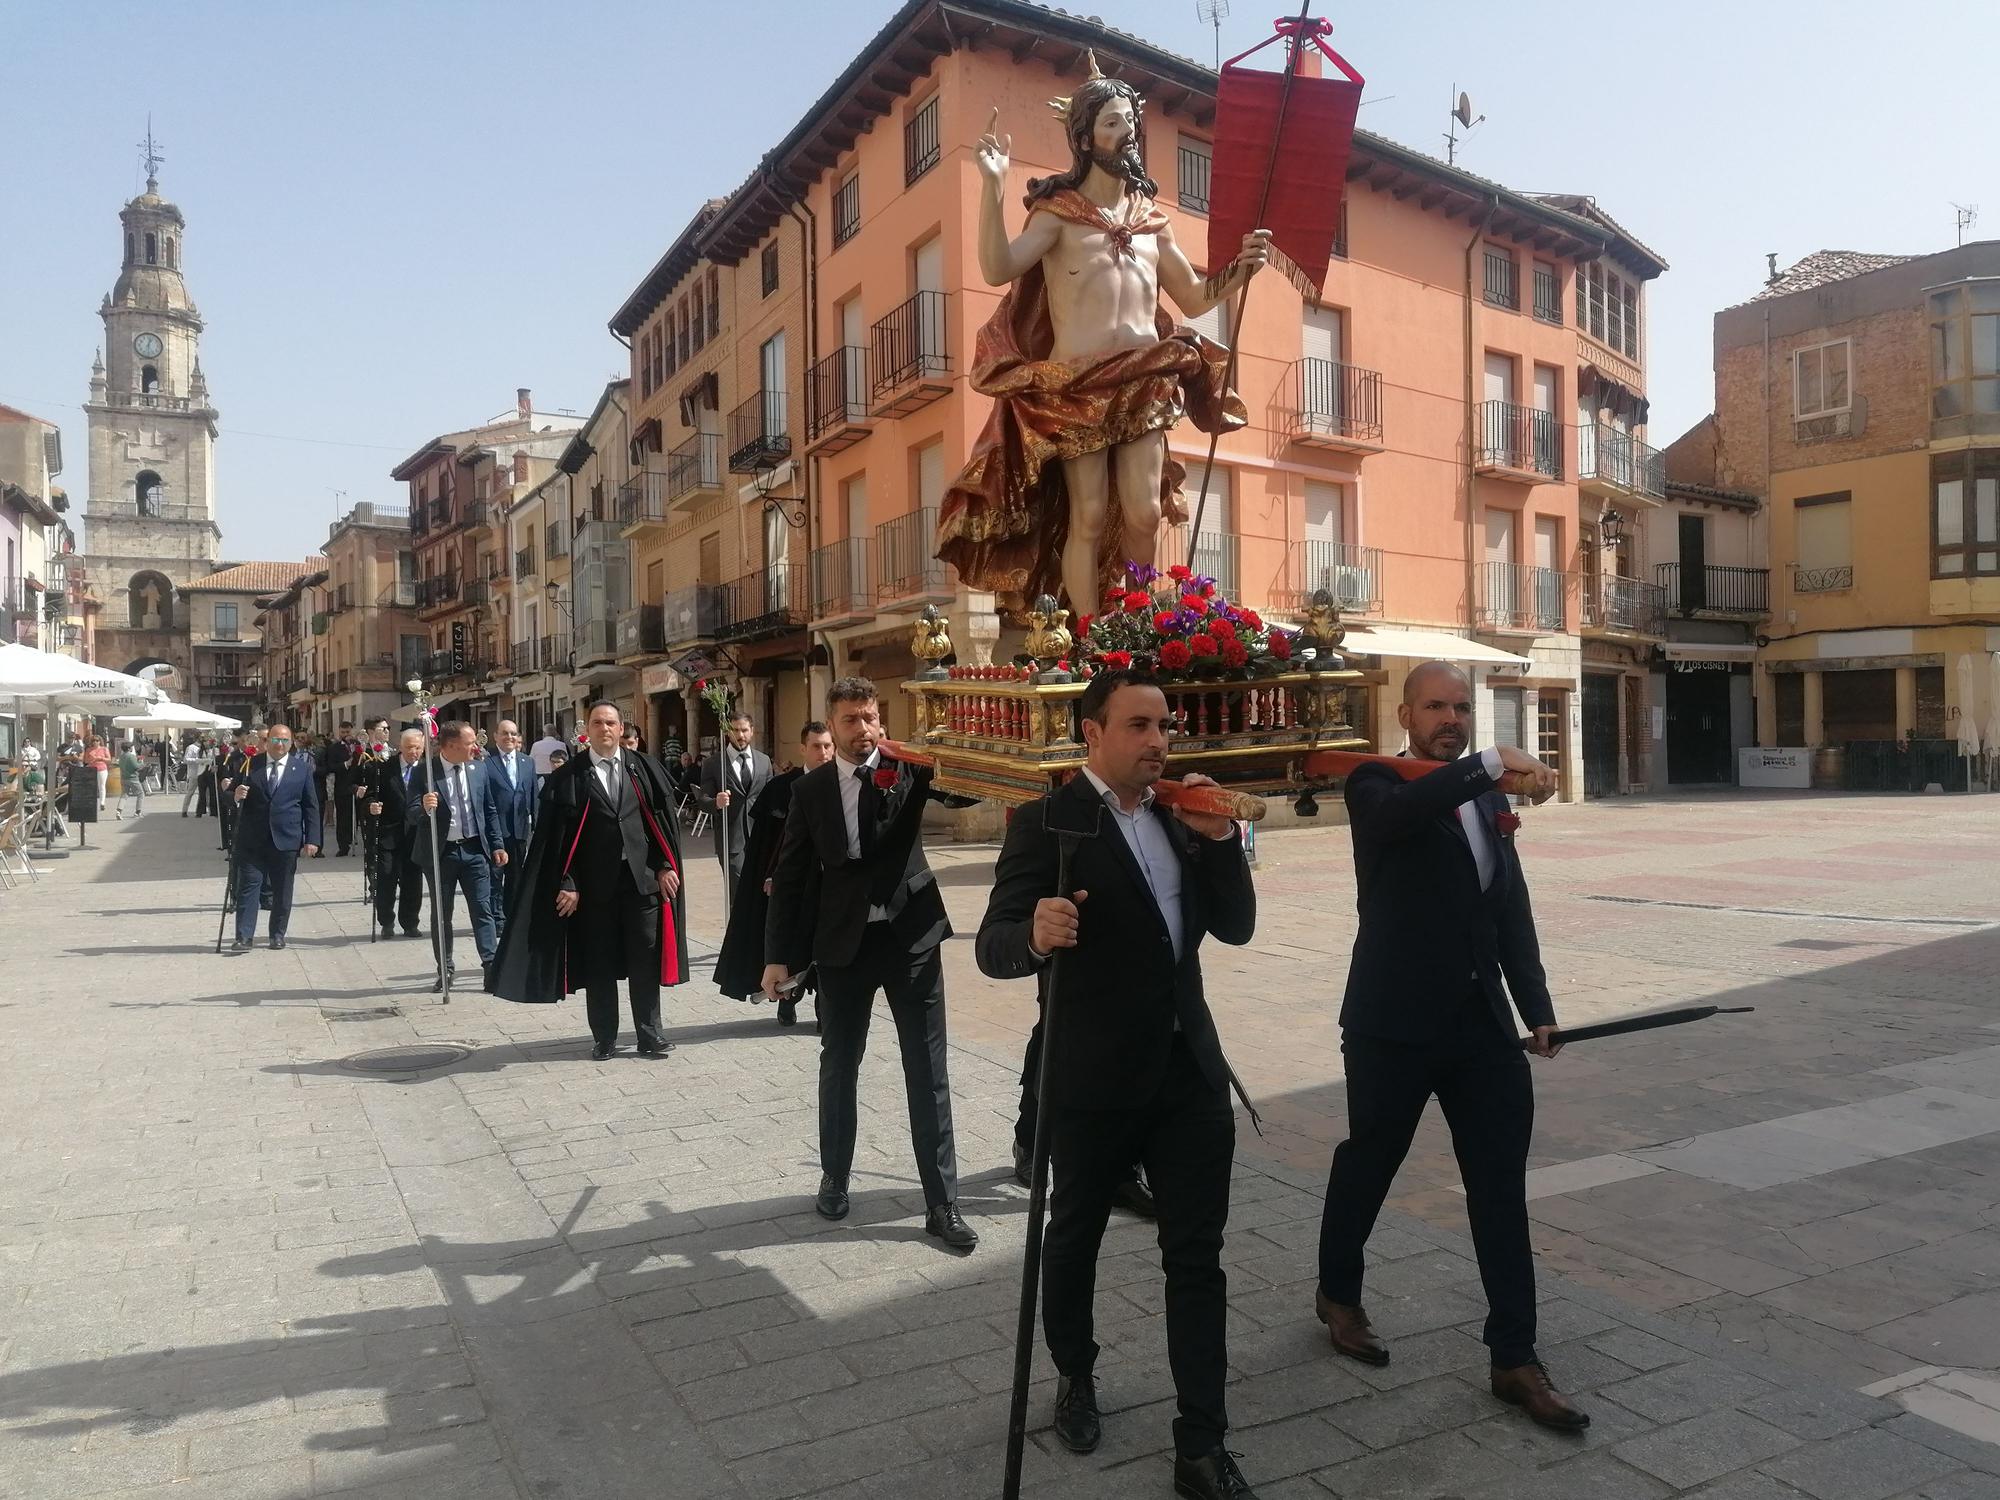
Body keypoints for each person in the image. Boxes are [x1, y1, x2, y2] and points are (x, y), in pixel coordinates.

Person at [975, 669, 1258, 1499]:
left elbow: (1234, 928)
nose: (1157, 741)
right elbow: (993, 945)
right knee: (1076, 1236)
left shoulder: (1180, 815)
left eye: (1163, 726)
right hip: (1092, 1077)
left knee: (1197, 1258)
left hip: (1188, 1077)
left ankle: (1201, 1442)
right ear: (1092, 734)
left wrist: (1218, 843)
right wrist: (1031, 932)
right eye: (1138, 725)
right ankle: (1075, 1373)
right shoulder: (1048, 822)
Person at [1315, 661, 1585, 1433]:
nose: (1450, 717)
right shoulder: (1375, 783)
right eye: (1436, 705)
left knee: (1499, 1188)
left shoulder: (1485, 796)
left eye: (1462, 707)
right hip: (1390, 1024)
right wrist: (1489, 767)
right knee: (1371, 1159)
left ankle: (1515, 1357)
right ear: (1406, 713)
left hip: (1480, 1028)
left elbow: (1510, 911)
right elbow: (1393, 821)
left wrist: (1536, 1008)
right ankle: (1338, 1291)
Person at [939, 56, 1269, 614]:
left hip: (1144, 375)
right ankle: (1092, 637)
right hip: (1077, 386)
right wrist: (993, 189)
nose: (1127, 134)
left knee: (1143, 512)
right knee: (1087, 515)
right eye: (1113, 123)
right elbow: (998, 268)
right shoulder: (1058, 214)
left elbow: (1193, 296)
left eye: (1130, 123)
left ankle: (1138, 630)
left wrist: (1242, 268)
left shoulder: (1150, 221)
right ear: (1086, 138)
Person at [761, 677, 978, 1250]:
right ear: (830, 727)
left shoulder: (910, 767)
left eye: (871, 717)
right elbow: (789, 878)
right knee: (840, 1066)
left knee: (927, 1073)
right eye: (852, 720)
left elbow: (964, 792)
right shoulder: (809, 792)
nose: (864, 730)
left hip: (912, 939)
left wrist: (946, 750)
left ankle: (942, 1202)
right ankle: (834, 1176)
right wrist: (777, 958)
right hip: (843, 947)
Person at [489, 701, 687, 1060]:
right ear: (588, 730)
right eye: (598, 723)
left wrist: (663, 867)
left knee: (645, 961)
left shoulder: (642, 768)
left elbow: (658, 826)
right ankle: (605, 1038)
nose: (605, 729)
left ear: (621, 728)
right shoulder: (570, 777)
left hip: (641, 886)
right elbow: (556, 842)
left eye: (611, 723)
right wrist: (568, 882)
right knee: (600, 966)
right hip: (594, 891)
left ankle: (650, 1034)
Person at [714, 720, 834, 1024]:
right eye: (817, 746)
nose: (823, 753)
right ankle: (786, 1000)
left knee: (826, 945)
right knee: (792, 943)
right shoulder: (782, 788)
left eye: (828, 746)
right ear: (803, 748)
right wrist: (769, 875)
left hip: (830, 884)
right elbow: (765, 843)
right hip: (788, 885)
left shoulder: (843, 783)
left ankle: (825, 1008)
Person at [409, 721, 505, 991]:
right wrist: (424, 807)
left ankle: (490, 966)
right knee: (442, 914)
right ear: (451, 745)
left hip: (475, 850)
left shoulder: (478, 768)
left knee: (482, 910)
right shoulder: (425, 771)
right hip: (441, 854)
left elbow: (489, 809)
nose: (476, 746)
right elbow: (410, 811)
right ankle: (446, 969)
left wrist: (497, 844)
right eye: (470, 742)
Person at [228, 723, 320, 951]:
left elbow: (311, 806)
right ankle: (243, 937)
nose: (280, 744)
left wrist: (313, 839)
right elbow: (232, 796)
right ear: (266, 741)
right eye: (276, 740)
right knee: (249, 887)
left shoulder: (301, 769)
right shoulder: (251, 765)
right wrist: (236, 796)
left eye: (285, 740)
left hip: (286, 839)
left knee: (282, 890)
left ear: (291, 743)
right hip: (253, 839)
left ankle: (277, 934)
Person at [364, 729, 430, 939]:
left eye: (418, 747)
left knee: (413, 882)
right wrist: (371, 806)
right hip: (388, 834)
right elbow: (370, 796)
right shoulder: (383, 768)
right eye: (410, 747)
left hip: (415, 834)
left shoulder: (427, 770)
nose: (414, 752)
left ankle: (410, 923)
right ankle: (386, 921)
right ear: (400, 747)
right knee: (386, 879)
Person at [698, 711, 771, 892]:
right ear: (727, 732)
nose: (740, 735)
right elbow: (702, 800)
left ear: (752, 731)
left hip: (759, 838)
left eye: (745, 730)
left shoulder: (764, 761)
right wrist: (716, 802)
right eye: (735, 730)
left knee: (759, 891)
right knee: (738, 891)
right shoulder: (714, 763)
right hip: (731, 842)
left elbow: (770, 797)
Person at [481, 718, 536, 936]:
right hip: (496, 831)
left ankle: (512, 916)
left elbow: (533, 797)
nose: (510, 737)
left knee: (516, 877)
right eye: (505, 733)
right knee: (495, 877)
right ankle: (497, 918)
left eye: (513, 733)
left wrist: (536, 826)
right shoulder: (487, 763)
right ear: (495, 737)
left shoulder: (527, 762)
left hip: (519, 829)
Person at [325, 722, 362, 856]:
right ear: (339, 732)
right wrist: (345, 764)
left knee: (359, 815)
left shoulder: (359, 745)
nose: (346, 735)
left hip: (358, 785)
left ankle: (358, 839)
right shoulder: (334, 748)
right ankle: (343, 845)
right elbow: (330, 766)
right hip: (342, 787)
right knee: (342, 818)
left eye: (348, 732)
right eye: (343, 732)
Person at [115, 743, 145, 818]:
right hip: (133, 778)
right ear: (129, 748)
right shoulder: (131, 756)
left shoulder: (121, 756)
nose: (132, 748)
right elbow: (136, 767)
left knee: (124, 794)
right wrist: (141, 762)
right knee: (140, 794)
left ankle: (119, 811)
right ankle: (138, 812)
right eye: (131, 747)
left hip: (124, 778)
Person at [181, 738, 209, 816]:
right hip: (193, 773)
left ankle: (200, 811)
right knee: (190, 792)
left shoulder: (205, 749)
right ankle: (184, 810)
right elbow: (186, 760)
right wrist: (197, 760)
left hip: (202, 773)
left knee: (203, 793)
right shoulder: (191, 748)